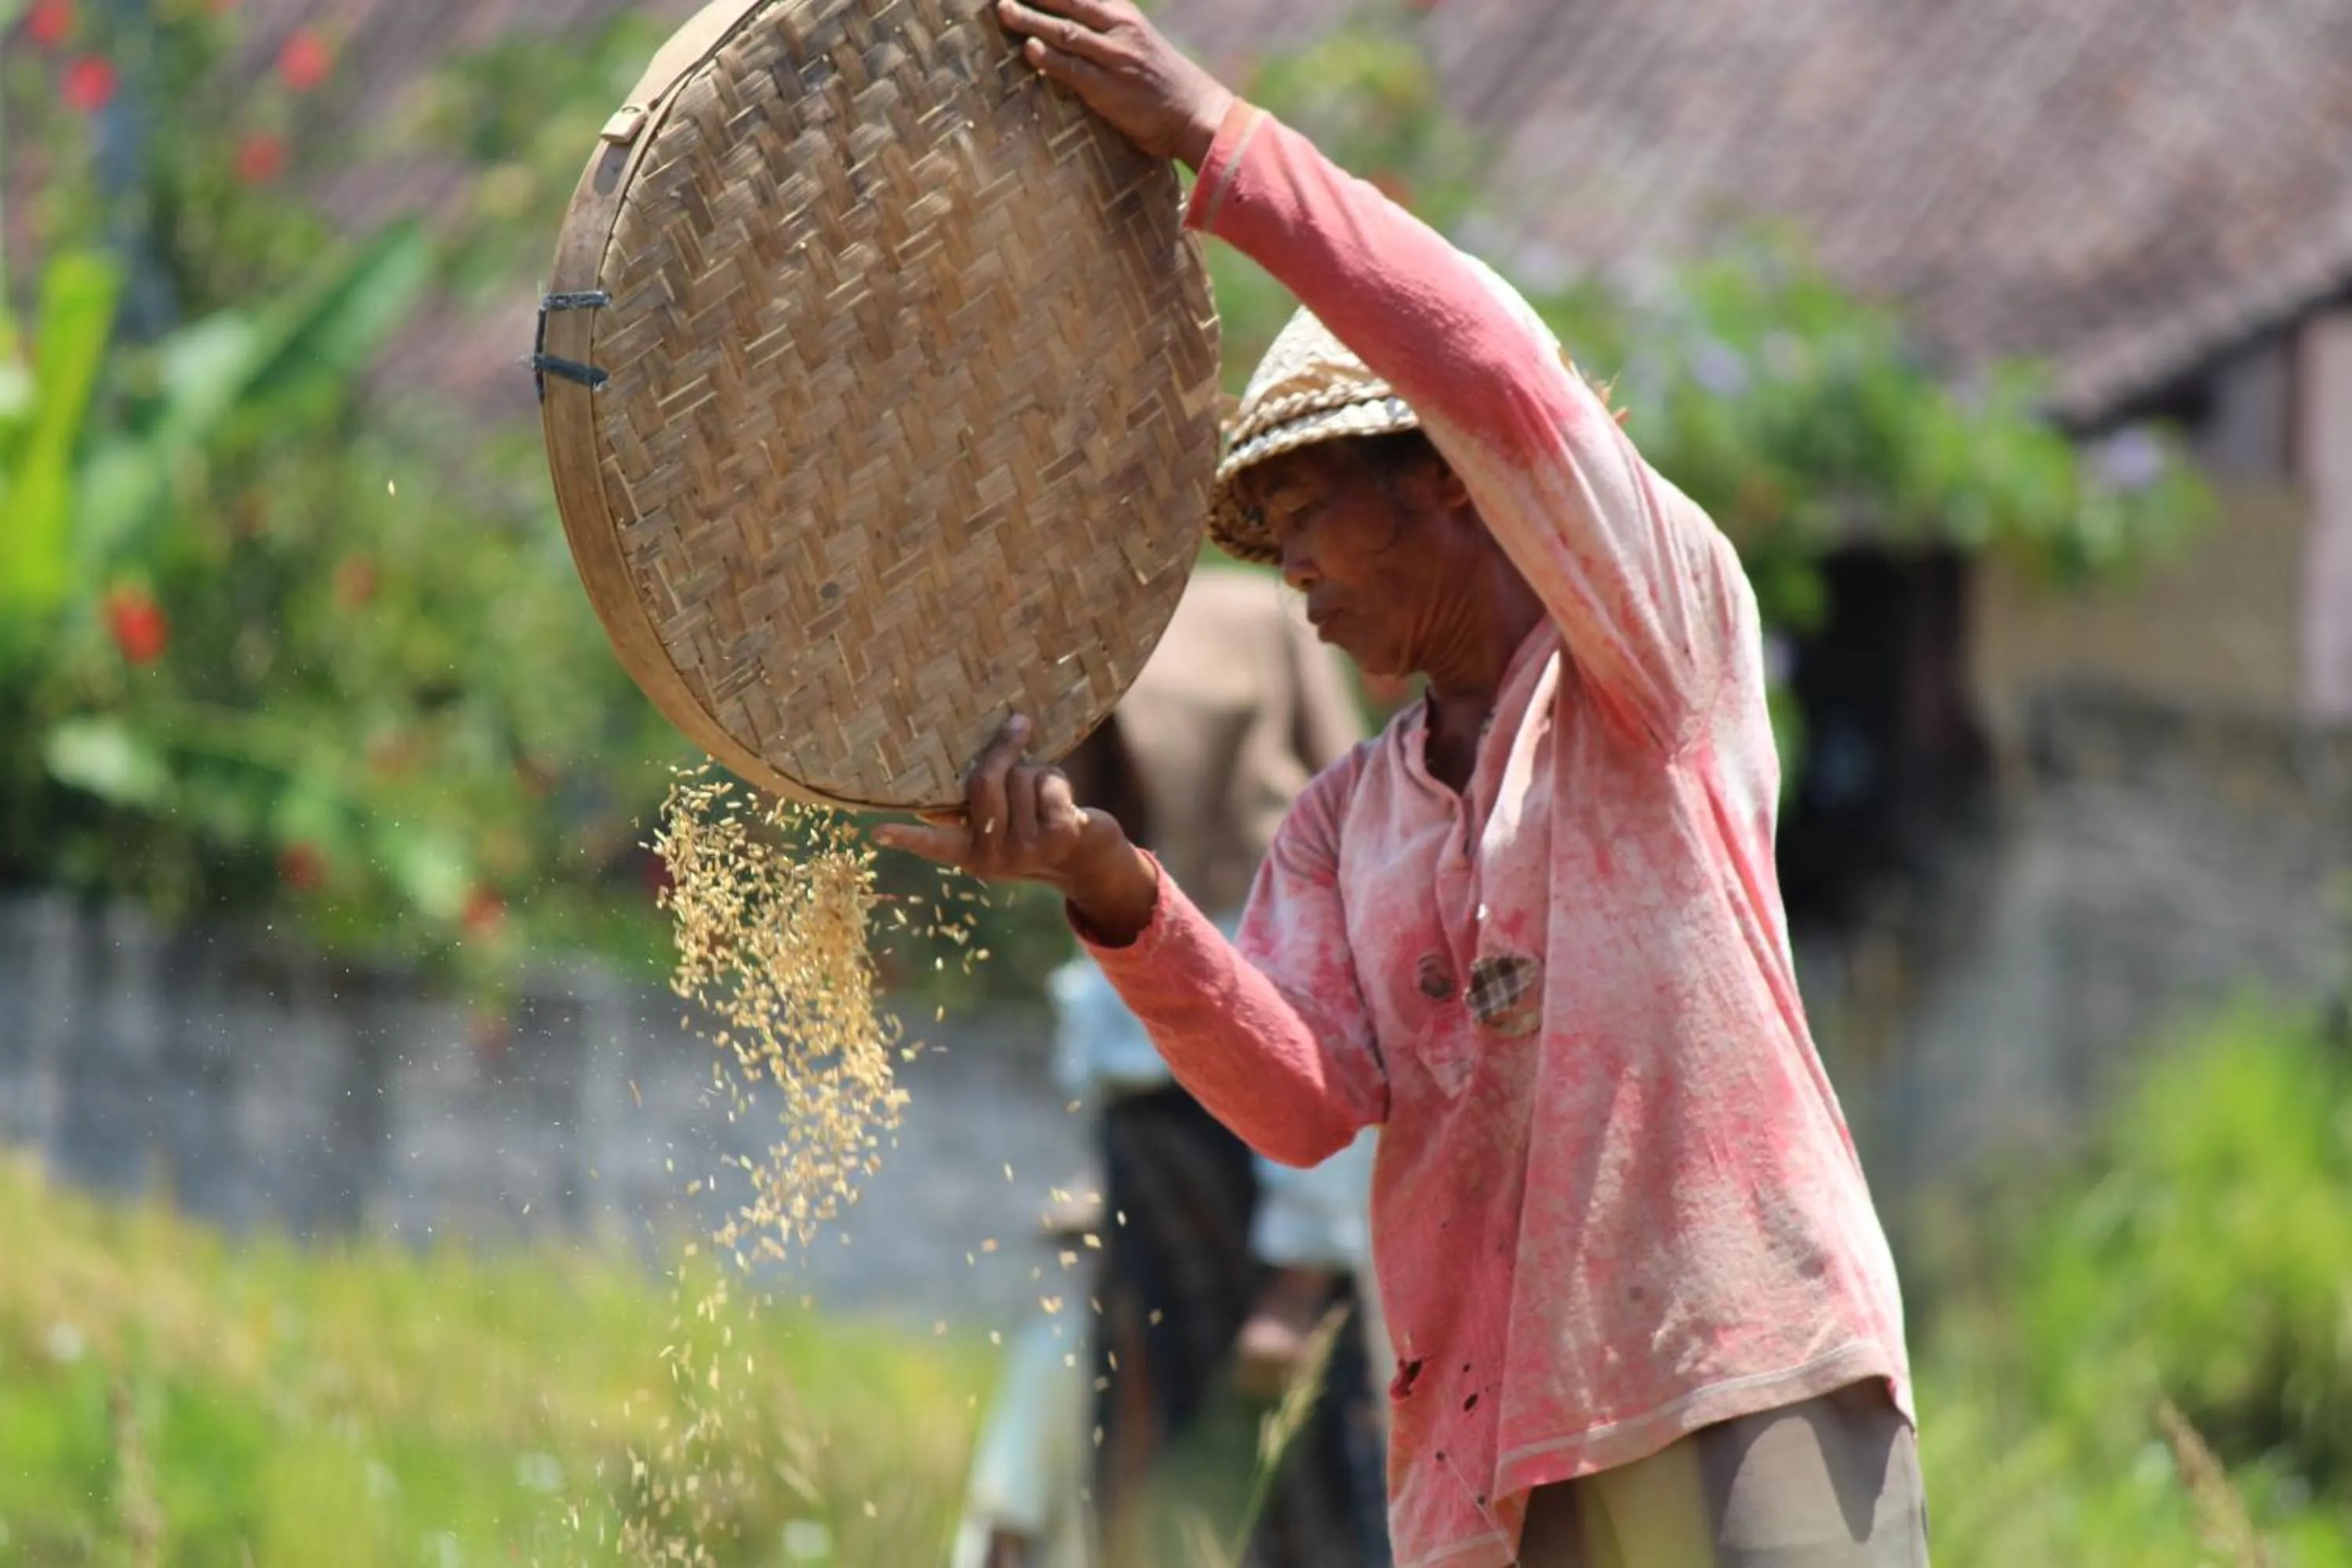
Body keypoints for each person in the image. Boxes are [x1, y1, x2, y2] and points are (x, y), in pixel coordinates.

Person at [879, 3, 1929, 1565]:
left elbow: (1493, 366)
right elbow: (1307, 1103)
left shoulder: (1654, 665)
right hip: (1493, 1449)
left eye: (1305, 508)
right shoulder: (1347, 817)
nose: (1289, 567)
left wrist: (1222, 145)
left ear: (1445, 475)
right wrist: (1110, 889)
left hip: (1732, 1357)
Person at [1044, 568, 1391, 1566]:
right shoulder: (1128, 913)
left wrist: (1295, 1286)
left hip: (1253, 1268)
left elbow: (1322, 1105)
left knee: (1291, 1510)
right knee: (1151, 1494)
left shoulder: (1273, 928)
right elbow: (1118, 1076)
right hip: (1156, 1253)